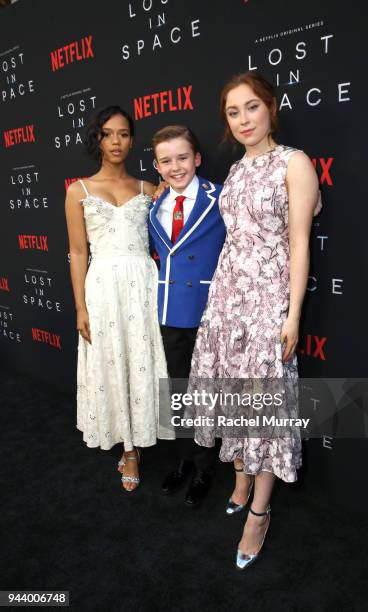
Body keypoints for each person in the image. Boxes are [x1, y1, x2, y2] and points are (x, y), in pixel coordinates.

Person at [188, 72, 319, 568]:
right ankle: (241, 476)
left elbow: (299, 243)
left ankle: (259, 513)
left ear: (271, 107)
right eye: (232, 112)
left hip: (268, 301)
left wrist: (293, 313)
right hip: (227, 299)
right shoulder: (238, 170)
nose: (243, 120)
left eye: (251, 108)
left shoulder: (295, 162)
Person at [65, 106, 174, 492]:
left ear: (132, 139)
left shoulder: (148, 189)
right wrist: (80, 306)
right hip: (103, 289)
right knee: (111, 361)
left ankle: (143, 432)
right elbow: (78, 253)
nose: (117, 141)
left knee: (140, 361)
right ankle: (128, 449)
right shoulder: (77, 191)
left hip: (142, 286)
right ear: (97, 138)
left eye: (124, 134)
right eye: (108, 134)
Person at [148, 125, 226, 506]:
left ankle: (205, 465)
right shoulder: (153, 206)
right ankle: (182, 461)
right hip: (170, 312)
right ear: (157, 166)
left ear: (197, 158)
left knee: (207, 395)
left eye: (182, 157)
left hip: (210, 312)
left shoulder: (221, 198)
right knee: (177, 392)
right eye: (166, 160)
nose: (175, 166)